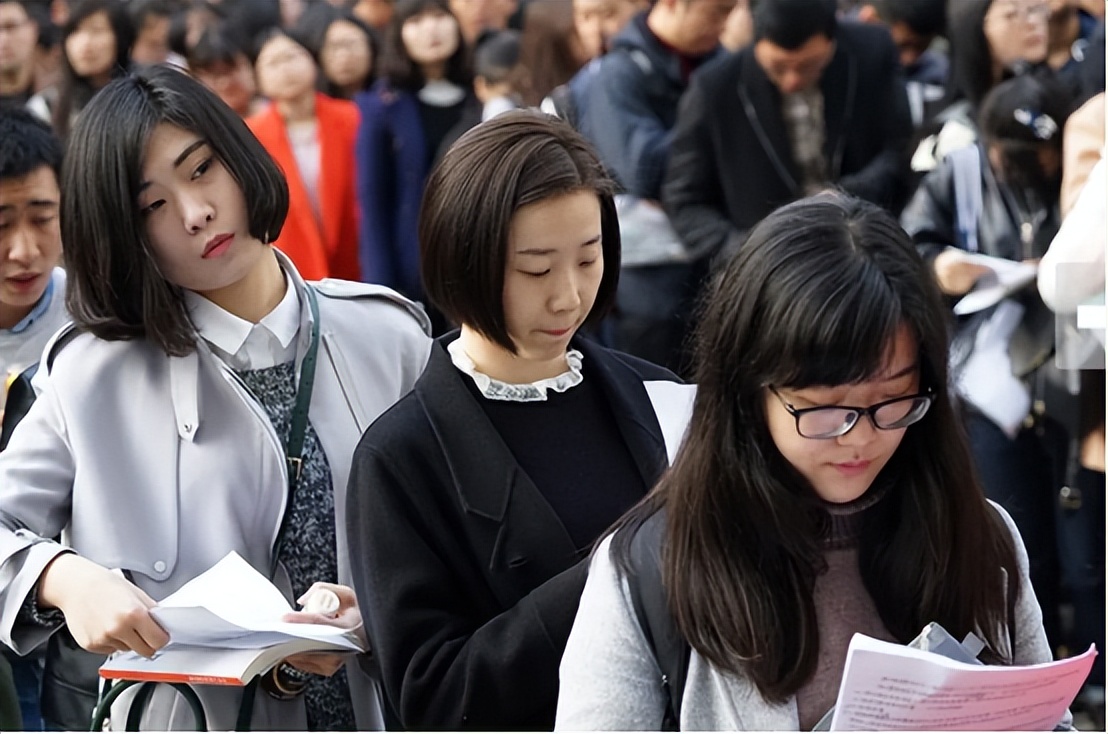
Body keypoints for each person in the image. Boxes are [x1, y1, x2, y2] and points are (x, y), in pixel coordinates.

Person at [0, 65, 432, 730]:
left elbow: (459, 542)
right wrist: (62, 577)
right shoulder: (91, 377)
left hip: (386, 707)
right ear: (125, 233)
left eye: (201, 169)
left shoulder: (390, 336)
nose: (196, 213)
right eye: (152, 205)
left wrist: (373, 615)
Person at [553, 192, 1065, 731]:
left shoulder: (980, 537)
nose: (861, 439)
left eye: (893, 402)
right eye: (825, 411)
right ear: (749, 391)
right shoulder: (653, 566)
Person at [346, 110, 682, 730]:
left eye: (589, 258)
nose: (567, 296)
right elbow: (433, 698)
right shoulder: (402, 456)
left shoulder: (661, 398)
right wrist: (620, 568)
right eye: (534, 269)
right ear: (463, 258)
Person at [901, 73, 1074, 653]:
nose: (1032, 166)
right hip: (983, 370)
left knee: (1073, 525)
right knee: (1011, 519)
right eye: (1016, 155)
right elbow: (905, 248)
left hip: (1071, 366)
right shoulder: (962, 171)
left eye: (1042, 155)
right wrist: (937, 267)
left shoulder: (1080, 167)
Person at [575, 0, 734, 375]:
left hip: (718, 266)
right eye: (716, 12)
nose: (723, 24)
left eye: (730, 13)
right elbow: (643, 169)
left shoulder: (723, 63)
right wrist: (712, 129)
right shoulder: (619, 72)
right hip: (649, 283)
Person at [0, 106, 66, 734]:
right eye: (0, 224)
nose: (25, 250)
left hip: (69, 611)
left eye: (43, 218)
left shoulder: (96, 318)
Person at [354, 0, 474, 307]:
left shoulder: (482, 95)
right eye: (416, 21)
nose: (431, 28)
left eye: (439, 16)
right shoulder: (384, 106)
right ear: (399, 33)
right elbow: (374, 199)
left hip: (480, 254)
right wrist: (382, 291)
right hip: (417, 269)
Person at [248, 26, 362, 282]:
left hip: (354, 257)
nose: (285, 68)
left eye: (292, 56)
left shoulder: (351, 117)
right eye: (272, 63)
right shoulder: (252, 135)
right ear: (257, 77)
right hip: (294, 268)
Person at [27, 0, 133, 137]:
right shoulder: (45, 107)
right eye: (75, 31)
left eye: (97, 30)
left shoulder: (145, 99)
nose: (85, 43)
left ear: (121, 38)